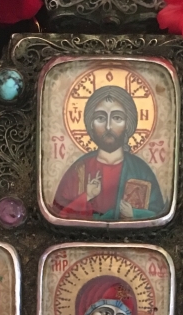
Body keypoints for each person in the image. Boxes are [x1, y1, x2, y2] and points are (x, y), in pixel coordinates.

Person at [51, 85, 166, 222]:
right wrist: (86, 196)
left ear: (128, 124)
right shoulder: (79, 169)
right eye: (100, 118)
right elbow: (59, 213)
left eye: (117, 118)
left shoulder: (141, 171)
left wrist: (134, 213)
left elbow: (158, 214)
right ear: (91, 124)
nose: (108, 126)